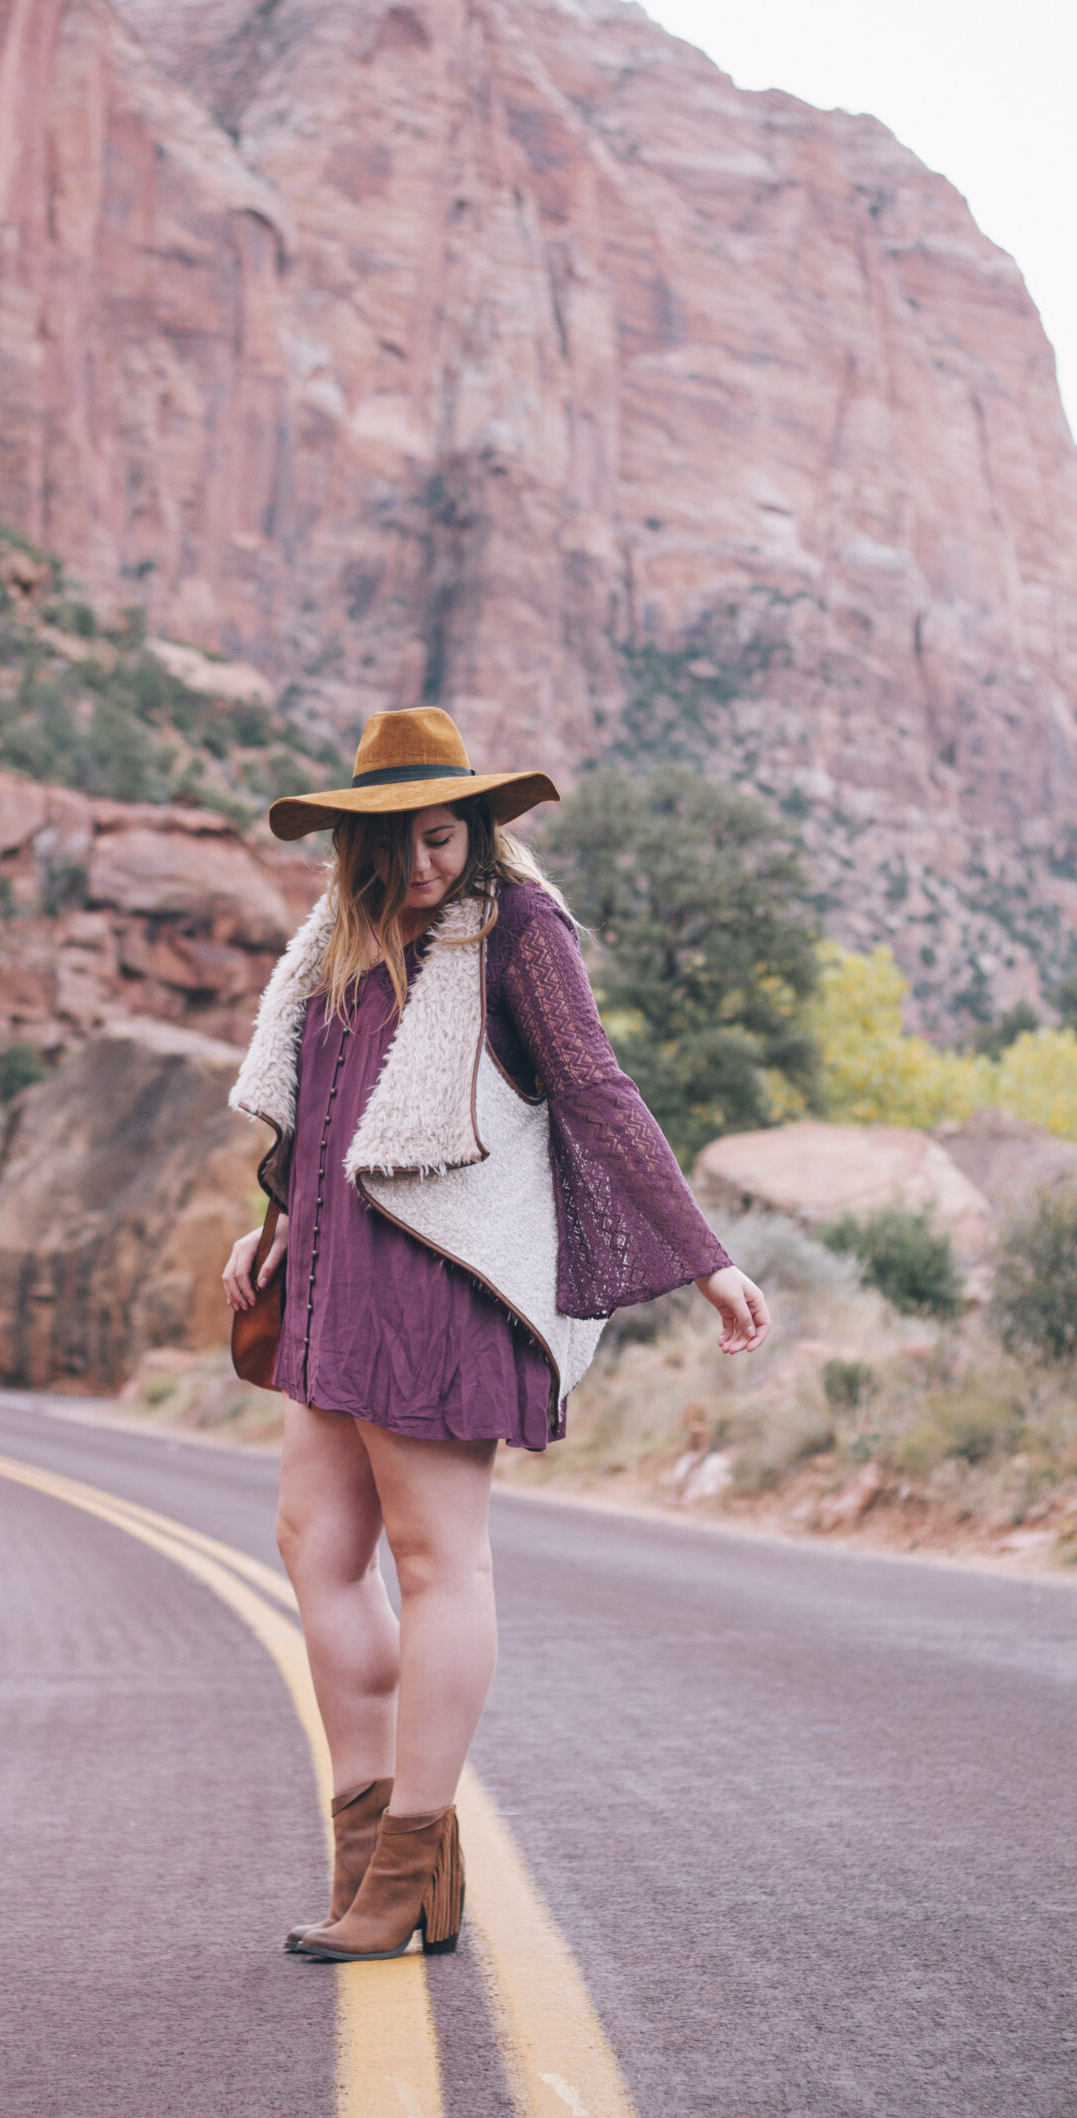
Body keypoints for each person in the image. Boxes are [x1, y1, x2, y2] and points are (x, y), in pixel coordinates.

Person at [222, 706, 769, 1964]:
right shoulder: (337, 945)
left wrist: (707, 1257)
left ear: (475, 824)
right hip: (327, 1271)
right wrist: (271, 1223)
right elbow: (322, 1114)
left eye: (446, 835)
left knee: (436, 1562)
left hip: (439, 1281)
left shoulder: (519, 928)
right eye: (402, 841)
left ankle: (407, 1857)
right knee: (315, 1546)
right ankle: (374, 1856)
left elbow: (594, 1084)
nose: (426, 864)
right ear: (356, 843)